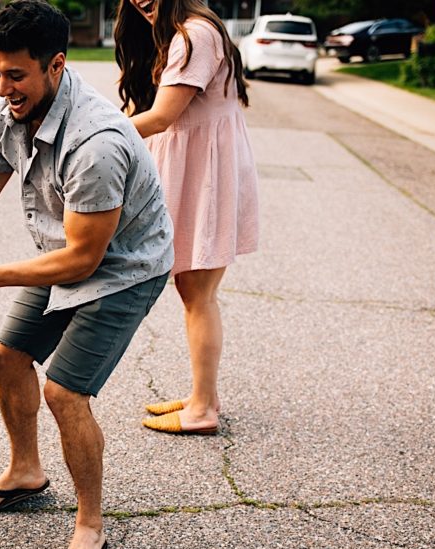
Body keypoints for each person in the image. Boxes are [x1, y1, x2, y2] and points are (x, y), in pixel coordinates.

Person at [0, 0, 173, 549]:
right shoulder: (3, 114)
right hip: (61, 254)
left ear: (57, 65)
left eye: (16, 74)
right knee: (5, 355)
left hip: (123, 268)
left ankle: (90, 524)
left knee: (65, 391)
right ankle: (25, 472)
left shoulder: (96, 141)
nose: (3, 87)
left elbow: (85, 258)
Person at [115, 0, 259, 434]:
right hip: (201, 170)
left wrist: (92, 132)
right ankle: (205, 395)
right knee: (194, 290)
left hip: (204, 175)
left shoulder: (194, 34)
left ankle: (201, 410)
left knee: (197, 292)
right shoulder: (188, 30)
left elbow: (161, 118)